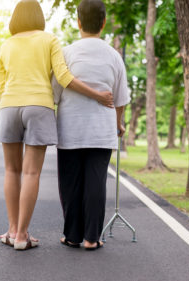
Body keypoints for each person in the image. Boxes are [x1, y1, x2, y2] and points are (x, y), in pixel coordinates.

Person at [0, 0, 113, 251]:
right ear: (39, 17)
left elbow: (1, 83)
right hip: (39, 106)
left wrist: (11, 101)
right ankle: (22, 236)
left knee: (11, 171)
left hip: (8, 106)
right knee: (30, 173)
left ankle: (12, 230)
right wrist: (97, 95)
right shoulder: (49, 40)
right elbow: (63, 77)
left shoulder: (6, 44)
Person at [53, 0, 130, 250]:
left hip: (70, 128)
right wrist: (118, 125)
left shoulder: (66, 53)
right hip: (102, 131)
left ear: (78, 22)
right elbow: (120, 98)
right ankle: (91, 238)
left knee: (70, 183)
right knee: (96, 182)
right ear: (104, 22)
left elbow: (54, 93)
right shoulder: (114, 56)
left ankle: (72, 235)